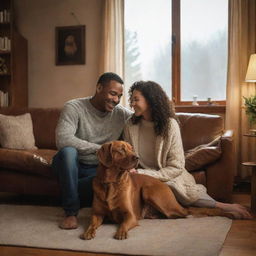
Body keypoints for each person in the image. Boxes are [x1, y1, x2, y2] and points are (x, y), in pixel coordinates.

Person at [123, 80, 252, 219]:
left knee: (174, 188)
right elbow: (128, 155)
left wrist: (145, 173)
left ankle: (223, 206)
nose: (132, 104)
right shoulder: (130, 125)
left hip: (167, 174)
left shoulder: (170, 125)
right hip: (140, 176)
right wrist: (131, 170)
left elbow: (176, 166)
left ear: (150, 100)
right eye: (131, 99)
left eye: (136, 99)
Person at [52, 72, 132, 229]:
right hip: (69, 166)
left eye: (119, 96)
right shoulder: (74, 107)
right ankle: (71, 213)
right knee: (69, 152)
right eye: (112, 93)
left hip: (96, 170)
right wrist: (101, 150)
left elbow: (143, 117)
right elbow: (63, 139)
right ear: (99, 88)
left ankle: (71, 191)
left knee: (112, 176)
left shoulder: (122, 114)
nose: (116, 100)